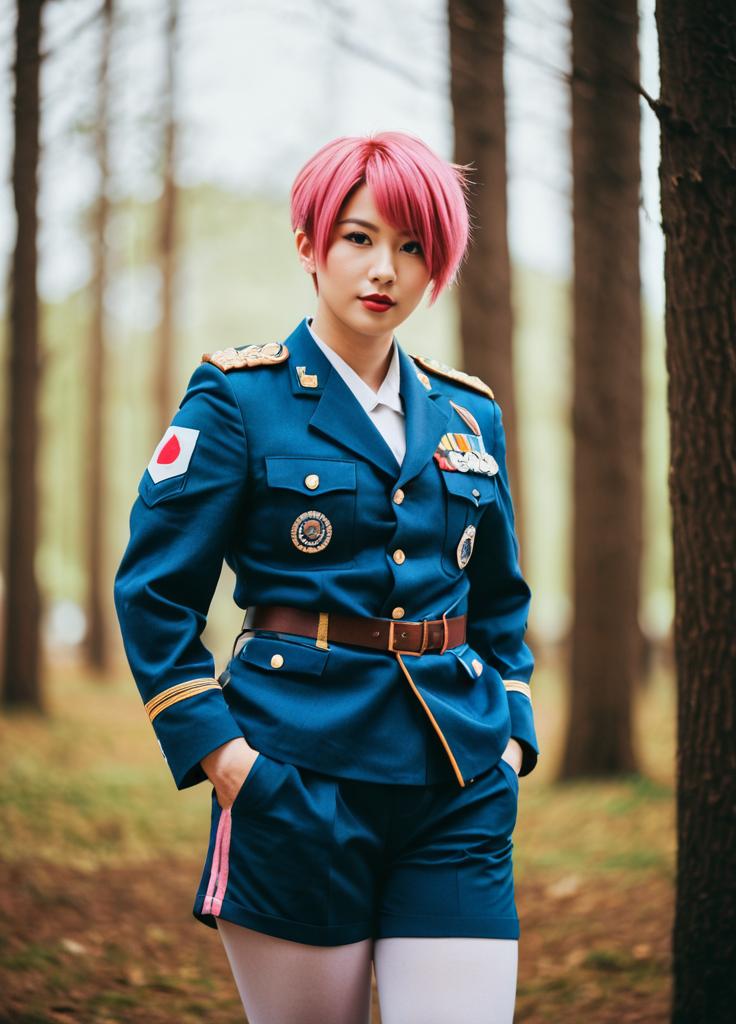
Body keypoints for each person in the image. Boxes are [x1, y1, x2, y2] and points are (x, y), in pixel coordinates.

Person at [113, 130, 539, 1024]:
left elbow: (500, 599)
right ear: (309, 244)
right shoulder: (237, 399)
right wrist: (230, 763)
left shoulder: (472, 413)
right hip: (294, 785)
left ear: (438, 267)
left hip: (456, 786)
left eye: (413, 245)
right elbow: (153, 593)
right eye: (358, 237)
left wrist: (509, 739)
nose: (385, 268)